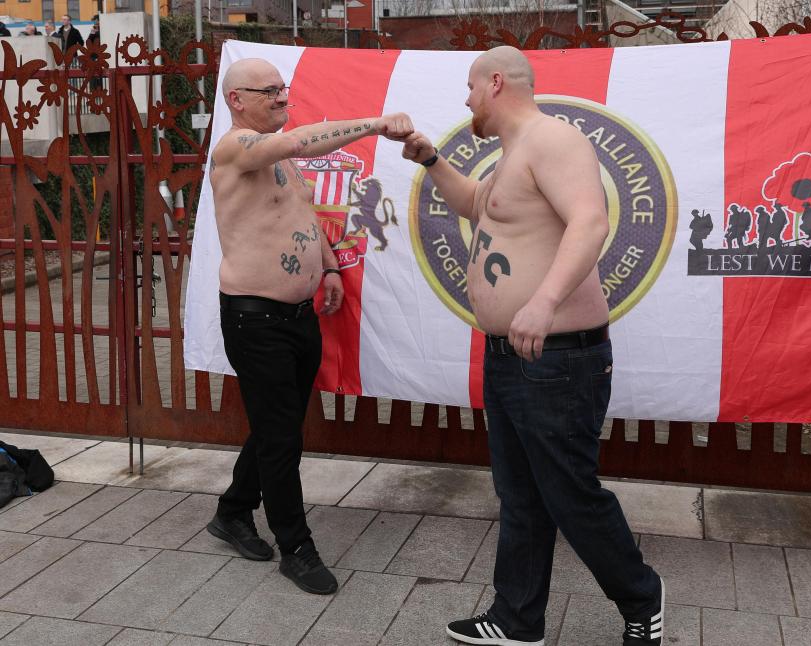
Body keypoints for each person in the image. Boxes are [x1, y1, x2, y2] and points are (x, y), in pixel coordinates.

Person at [401, 46, 665, 646]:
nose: (465, 101)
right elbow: (477, 206)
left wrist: (542, 302)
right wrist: (432, 159)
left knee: (569, 492)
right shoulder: (510, 155)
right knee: (519, 493)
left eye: (470, 88)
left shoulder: (554, 139)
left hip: (559, 355)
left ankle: (642, 597)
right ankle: (517, 619)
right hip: (511, 358)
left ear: (496, 83)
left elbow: (590, 221)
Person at [207, 58, 413, 595]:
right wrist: (375, 123)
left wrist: (327, 267)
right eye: (270, 91)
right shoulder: (236, 148)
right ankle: (296, 547)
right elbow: (302, 142)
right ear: (237, 100)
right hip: (256, 320)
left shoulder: (274, 153)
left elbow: (299, 213)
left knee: (279, 427)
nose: (282, 98)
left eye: (284, 89)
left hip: (297, 317)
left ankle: (232, 512)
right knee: (281, 438)